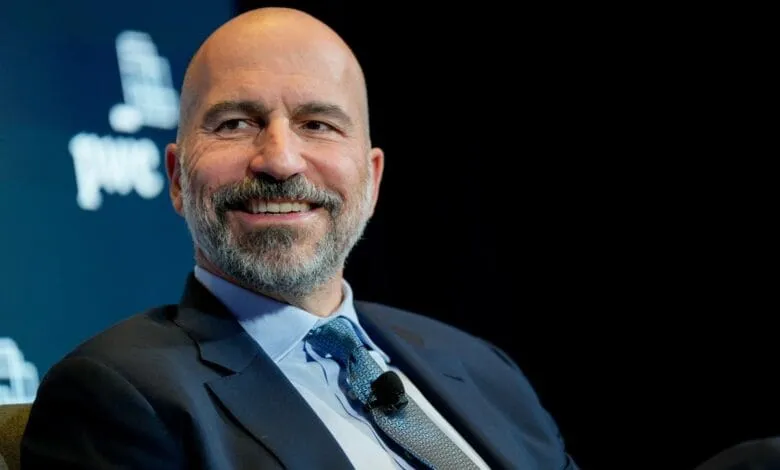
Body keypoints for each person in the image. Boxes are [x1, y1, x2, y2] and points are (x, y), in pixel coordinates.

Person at [21, 7, 578, 470]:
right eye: (236, 123)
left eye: (318, 124)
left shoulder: (485, 369)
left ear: (373, 178)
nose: (281, 160)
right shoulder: (117, 395)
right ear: (177, 180)